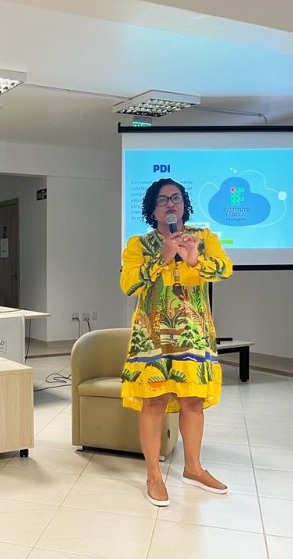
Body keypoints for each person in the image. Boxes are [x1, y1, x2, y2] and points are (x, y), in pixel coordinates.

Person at [120, 178, 233, 507]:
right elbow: (128, 285)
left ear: (184, 205)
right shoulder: (139, 244)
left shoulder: (203, 238)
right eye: (163, 200)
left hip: (192, 333)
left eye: (176, 198)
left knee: (192, 401)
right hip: (152, 336)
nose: (171, 204)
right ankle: (153, 475)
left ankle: (193, 469)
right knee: (153, 401)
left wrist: (195, 259)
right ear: (152, 210)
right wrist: (162, 257)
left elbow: (224, 270)